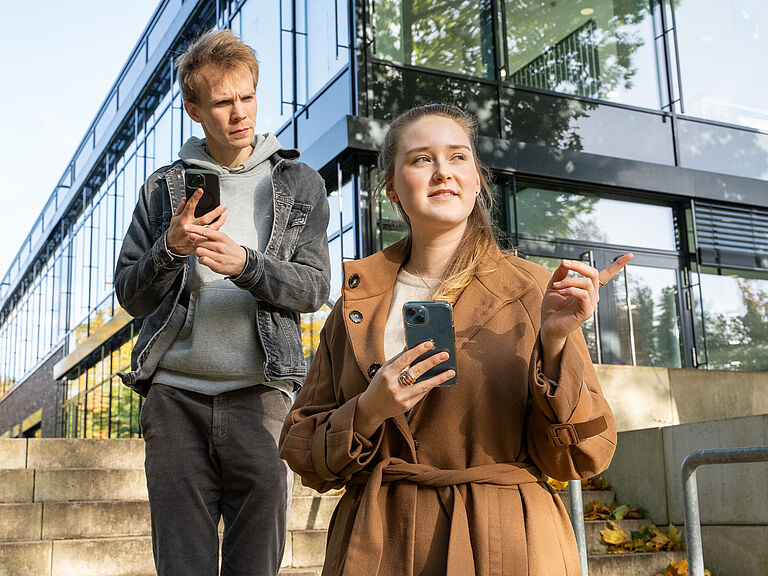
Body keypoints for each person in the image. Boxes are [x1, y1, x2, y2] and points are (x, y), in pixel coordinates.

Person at [279, 103, 632, 575]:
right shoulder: (354, 305)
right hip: (380, 544)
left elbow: (580, 456)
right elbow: (303, 450)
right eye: (421, 158)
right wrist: (369, 410)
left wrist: (554, 346)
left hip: (506, 544)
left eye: (458, 157)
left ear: (477, 179)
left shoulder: (533, 290)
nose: (443, 171)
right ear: (392, 190)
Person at [115, 29, 330, 575]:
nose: (240, 114)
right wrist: (169, 250)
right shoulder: (162, 189)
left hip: (261, 396)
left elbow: (314, 289)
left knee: (257, 564)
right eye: (222, 102)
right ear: (193, 109)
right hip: (175, 399)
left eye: (247, 97)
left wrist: (248, 266)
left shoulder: (300, 182)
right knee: (182, 564)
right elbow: (129, 296)